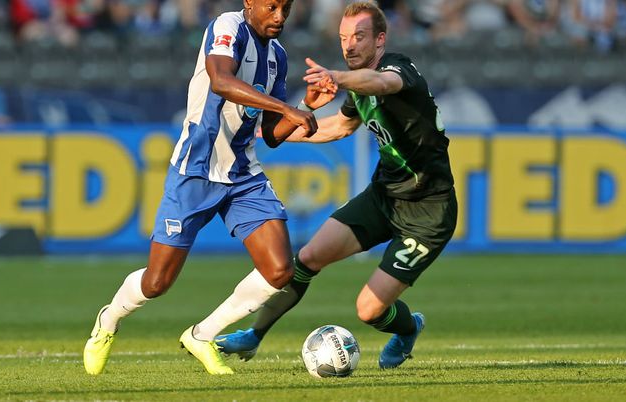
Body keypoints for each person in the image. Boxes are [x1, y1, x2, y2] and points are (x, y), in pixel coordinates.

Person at [83, 0, 336, 376]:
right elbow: (221, 80)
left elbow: (270, 134)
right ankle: (108, 321)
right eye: (271, 7)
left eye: (286, 7)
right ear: (250, 2)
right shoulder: (227, 27)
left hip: (243, 174)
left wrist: (305, 106)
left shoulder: (277, 56)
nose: (280, 16)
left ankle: (203, 335)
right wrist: (285, 109)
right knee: (157, 282)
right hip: (195, 170)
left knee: (280, 270)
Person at [216, 1, 457, 369]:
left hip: (429, 212)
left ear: (380, 40)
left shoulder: (397, 68)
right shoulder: (358, 87)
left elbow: (382, 83)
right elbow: (338, 128)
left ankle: (408, 329)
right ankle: (254, 335)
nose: (349, 45)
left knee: (369, 310)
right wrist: (274, 134)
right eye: (344, 37)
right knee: (308, 258)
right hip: (384, 197)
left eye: (359, 36)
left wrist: (337, 77)